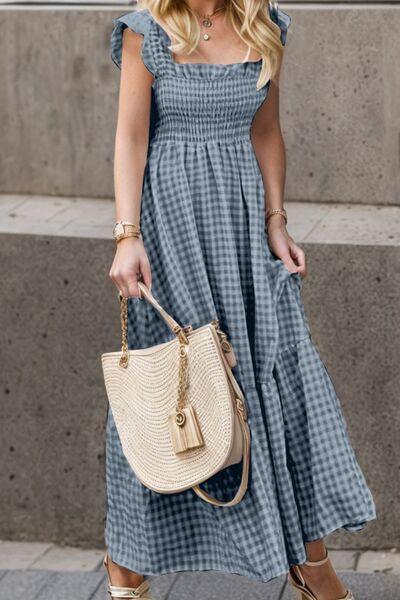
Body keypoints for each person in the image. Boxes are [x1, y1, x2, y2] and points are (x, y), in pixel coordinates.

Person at [103, 1, 376, 598]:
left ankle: (309, 557)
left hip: (246, 230)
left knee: (280, 378)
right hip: (173, 229)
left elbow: (266, 130)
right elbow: (130, 136)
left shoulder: (266, 26)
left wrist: (277, 220)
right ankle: (126, 564)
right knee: (174, 388)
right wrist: (128, 236)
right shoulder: (144, 33)